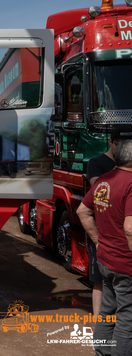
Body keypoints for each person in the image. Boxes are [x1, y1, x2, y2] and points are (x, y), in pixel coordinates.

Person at [77, 138, 132, 356]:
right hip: (126, 265)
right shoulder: (130, 183)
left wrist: (99, 241)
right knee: (127, 318)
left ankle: (101, 352)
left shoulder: (105, 180)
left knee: (108, 312)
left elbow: (82, 210)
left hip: (106, 260)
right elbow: (130, 228)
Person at [86, 126, 132, 317]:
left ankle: (104, 336)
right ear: (111, 142)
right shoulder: (96, 163)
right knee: (100, 281)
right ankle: (99, 323)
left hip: (120, 238)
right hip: (103, 230)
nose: (124, 147)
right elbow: (97, 188)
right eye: (121, 144)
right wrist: (121, 169)